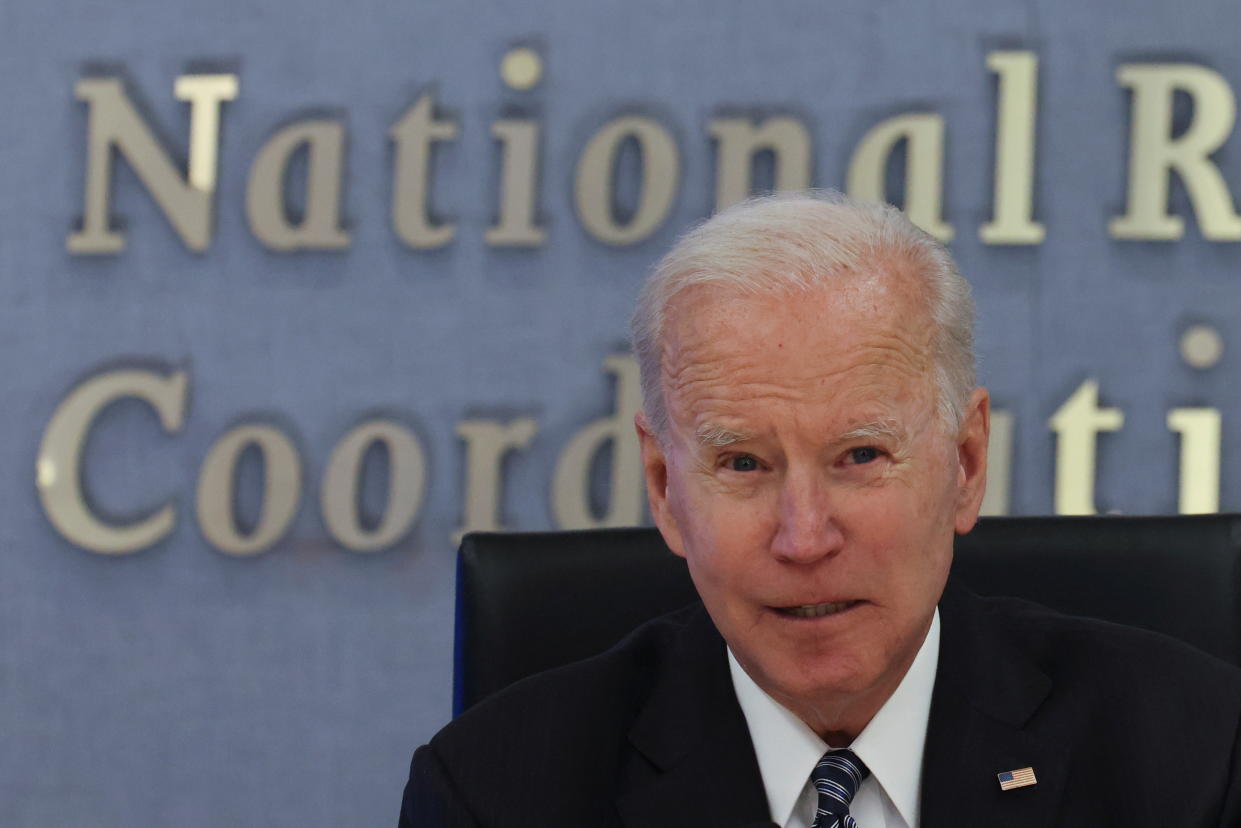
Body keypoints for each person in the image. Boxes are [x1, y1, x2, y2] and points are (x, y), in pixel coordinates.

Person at [400, 192, 1241, 827]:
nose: (803, 537)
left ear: (965, 463)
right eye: (741, 463)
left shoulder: (1189, 755)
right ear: (663, 486)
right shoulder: (495, 793)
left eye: (860, 456)